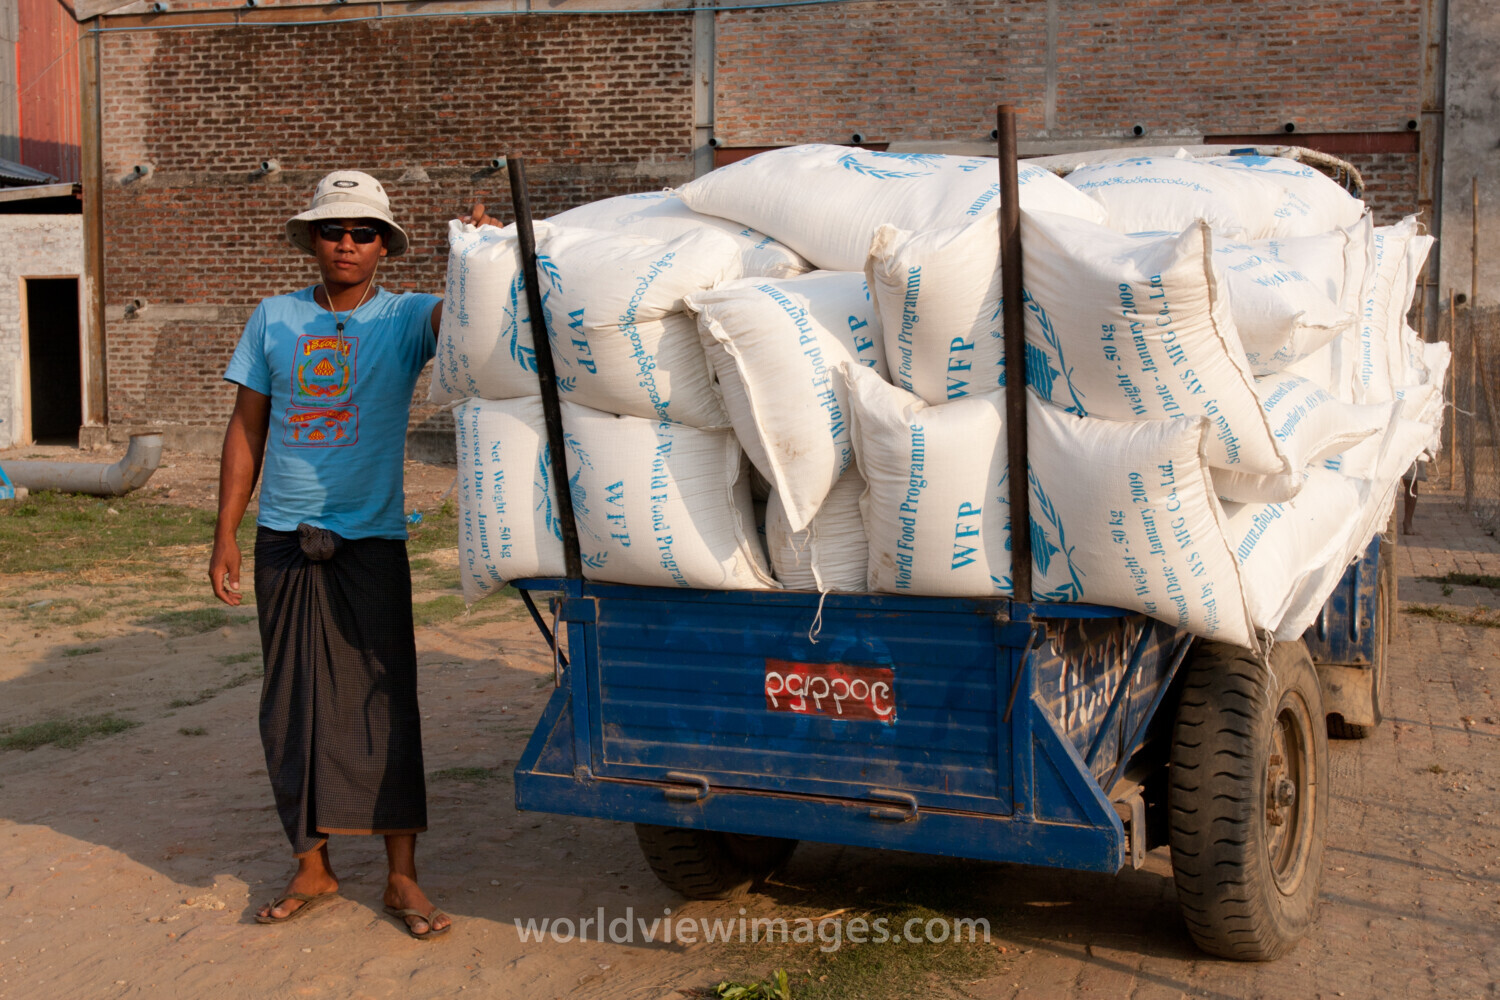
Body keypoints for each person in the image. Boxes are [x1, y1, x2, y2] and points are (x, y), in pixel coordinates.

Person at [209, 171, 499, 939]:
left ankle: (402, 877)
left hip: (371, 539)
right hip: (284, 540)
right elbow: (246, 429)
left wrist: (477, 250)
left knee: (383, 700)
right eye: (333, 229)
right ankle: (313, 865)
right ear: (312, 238)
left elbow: (472, 313)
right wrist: (225, 532)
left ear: (384, 247)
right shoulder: (273, 318)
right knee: (292, 704)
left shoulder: (404, 320)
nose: (346, 243)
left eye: (363, 232)